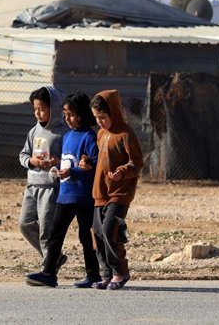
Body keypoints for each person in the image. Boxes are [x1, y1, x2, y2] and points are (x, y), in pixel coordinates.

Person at [25, 92, 101, 288]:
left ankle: (93, 275)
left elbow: (92, 166)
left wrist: (73, 172)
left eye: (71, 114)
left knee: (86, 236)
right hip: (65, 194)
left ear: (83, 114)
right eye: (65, 114)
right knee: (55, 233)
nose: (67, 118)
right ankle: (49, 273)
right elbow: (69, 159)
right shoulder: (67, 136)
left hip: (83, 196)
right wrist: (58, 167)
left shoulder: (90, 138)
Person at [89, 89, 144, 291]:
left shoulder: (126, 134)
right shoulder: (101, 134)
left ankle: (120, 271)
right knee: (97, 233)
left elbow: (137, 162)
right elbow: (100, 159)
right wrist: (87, 161)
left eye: (103, 117)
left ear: (114, 112)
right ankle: (106, 274)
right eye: (96, 118)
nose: (100, 122)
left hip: (120, 194)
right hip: (100, 193)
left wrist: (122, 172)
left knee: (110, 230)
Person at [18, 85, 69, 265]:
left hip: (51, 188)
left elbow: (71, 159)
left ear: (53, 108)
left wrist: (57, 161)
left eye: (42, 109)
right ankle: (55, 258)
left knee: (46, 230)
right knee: (25, 224)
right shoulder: (33, 132)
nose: (38, 113)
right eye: (35, 109)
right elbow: (23, 155)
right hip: (32, 186)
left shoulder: (64, 133)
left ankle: (49, 268)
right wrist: (33, 162)